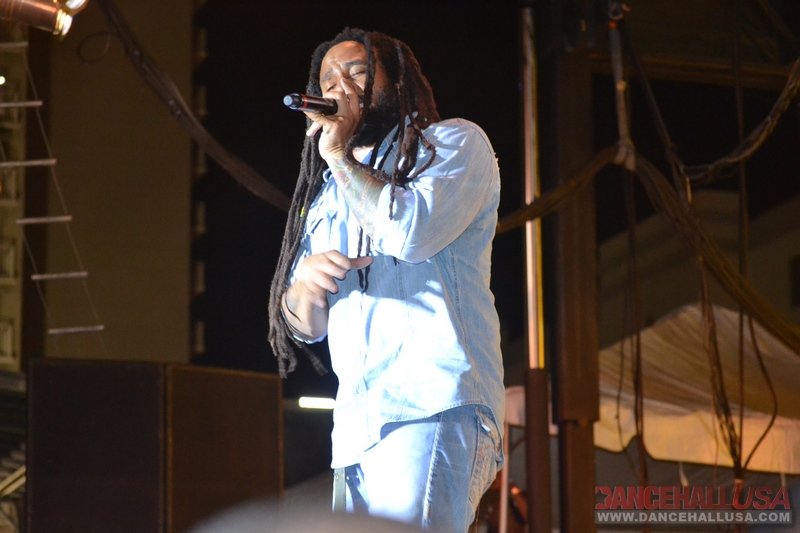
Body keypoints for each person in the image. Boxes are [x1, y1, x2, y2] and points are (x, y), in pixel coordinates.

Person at [267, 27, 505, 532]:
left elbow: (409, 232)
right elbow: (305, 326)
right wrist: (303, 287)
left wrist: (338, 155)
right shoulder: (327, 195)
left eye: (356, 73)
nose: (339, 88)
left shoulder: (453, 145)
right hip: (356, 428)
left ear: (394, 83)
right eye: (328, 80)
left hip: (432, 403)